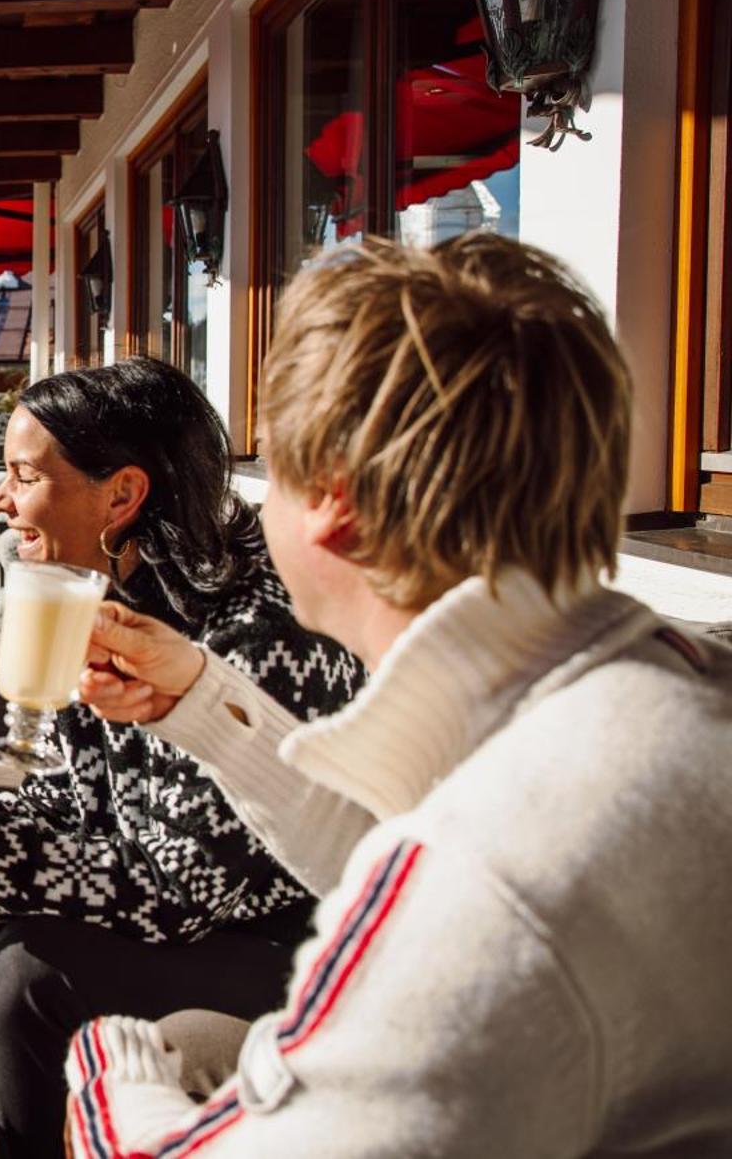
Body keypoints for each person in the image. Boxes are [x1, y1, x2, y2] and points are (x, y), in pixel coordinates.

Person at [66, 234, 732, 1156]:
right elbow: (384, 841)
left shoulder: (483, 876)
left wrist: (111, 1069)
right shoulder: (661, 676)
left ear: (333, 502)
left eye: (275, 472)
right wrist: (200, 698)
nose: (254, 511)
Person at [0, 357, 362, 1159]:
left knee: (27, 980)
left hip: (295, 938)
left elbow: (184, 887)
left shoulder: (255, 632)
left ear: (123, 495)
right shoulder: (99, 590)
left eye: (24, 475)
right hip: (185, 896)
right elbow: (69, 800)